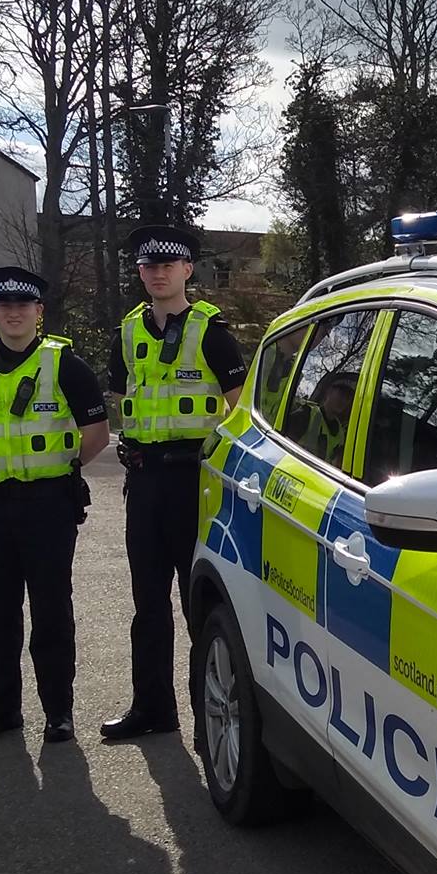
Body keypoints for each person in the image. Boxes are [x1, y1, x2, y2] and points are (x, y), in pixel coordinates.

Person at [100, 225, 249, 741]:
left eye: (167, 265)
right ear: (139, 272)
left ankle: (209, 718)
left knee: (198, 604)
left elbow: (241, 412)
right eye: (147, 266)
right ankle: (153, 710)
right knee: (148, 603)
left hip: (195, 484)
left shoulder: (211, 331)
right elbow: (124, 402)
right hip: (143, 484)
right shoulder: (126, 332)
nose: (157, 273)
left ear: (188, 270)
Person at [0, 266, 111, 744]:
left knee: (50, 610)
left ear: (38, 312)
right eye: (3, 306)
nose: (13, 314)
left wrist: (63, 469)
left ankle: (58, 713)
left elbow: (97, 435)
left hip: (47, 504)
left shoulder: (65, 364)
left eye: (22, 306)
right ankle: (2, 710)